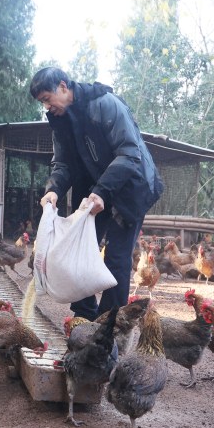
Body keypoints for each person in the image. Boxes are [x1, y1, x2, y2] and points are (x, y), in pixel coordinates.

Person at [29, 67, 164, 320]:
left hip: (130, 188)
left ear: (63, 86)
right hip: (95, 191)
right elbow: (63, 164)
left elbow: (129, 154)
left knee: (117, 259)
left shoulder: (105, 104)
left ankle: (107, 329)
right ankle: (83, 322)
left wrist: (102, 191)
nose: (46, 107)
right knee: (77, 251)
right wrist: (53, 190)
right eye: (42, 103)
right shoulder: (60, 121)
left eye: (47, 99)